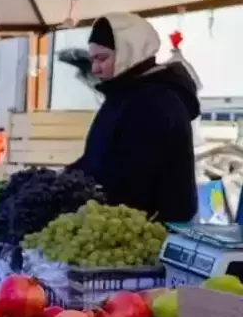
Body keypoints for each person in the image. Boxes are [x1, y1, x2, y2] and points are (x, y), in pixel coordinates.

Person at [71, 13, 199, 223]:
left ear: (129, 53)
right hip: (117, 220)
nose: (95, 68)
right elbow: (98, 157)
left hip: (151, 228)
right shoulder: (122, 94)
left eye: (102, 58)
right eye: (92, 59)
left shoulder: (156, 101)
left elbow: (134, 177)